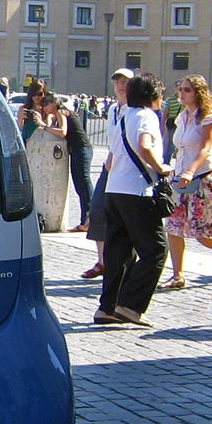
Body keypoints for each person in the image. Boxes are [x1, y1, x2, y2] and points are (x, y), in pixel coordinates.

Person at [94, 73, 172, 326]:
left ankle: (107, 308)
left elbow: (111, 159)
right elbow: (144, 145)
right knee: (156, 250)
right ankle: (130, 305)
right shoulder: (148, 116)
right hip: (137, 191)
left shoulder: (122, 116)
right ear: (153, 95)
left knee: (118, 252)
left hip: (114, 189)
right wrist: (161, 168)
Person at [159, 74, 212, 289]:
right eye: (180, 89)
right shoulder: (182, 116)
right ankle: (178, 275)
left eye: (187, 90)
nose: (181, 93)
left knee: (202, 233)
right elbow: (178, 146)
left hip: (200, 178)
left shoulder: (208, 117)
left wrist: (191, 171)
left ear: (198, 93)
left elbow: (205, 148)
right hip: (179, 179)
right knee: (173, 227)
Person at [82, 67, 134, 279]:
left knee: (128, 217)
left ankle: (129, 263)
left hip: (129, 169)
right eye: (117, 81)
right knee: (97, 210)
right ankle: (103, 261)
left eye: (125, 81)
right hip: (110, 165)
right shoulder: (113, 109)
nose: (120, 84)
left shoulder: (136, 109)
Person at [44, 94, 94, 232]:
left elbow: (62, 132)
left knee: (84, 183)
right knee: (80, 186)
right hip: (78, 150)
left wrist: (44, 127)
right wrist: (48, 120)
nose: (44, 107)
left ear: (54, 102)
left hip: (81, 149)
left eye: (47, 103)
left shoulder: (61, 111)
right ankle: (85, 221)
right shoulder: (62, 112)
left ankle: (91, 219)